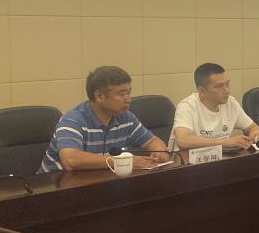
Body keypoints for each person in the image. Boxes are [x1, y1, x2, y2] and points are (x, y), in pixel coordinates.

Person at [40, 66, 169, 172]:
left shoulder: (126, 117)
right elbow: (71, 160)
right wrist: (122, 162)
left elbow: (152, 141)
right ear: (99, 96)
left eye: (129, 93)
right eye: (122, 94)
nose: (128, 99)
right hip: (55, 186)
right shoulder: (73, 120)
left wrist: (160, 151)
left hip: (98, 182)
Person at [169, 63, 259, 152]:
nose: (227, 90)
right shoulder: (187, 106)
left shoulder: (230, 103)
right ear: (201, 91)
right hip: (186, 161)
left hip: (220, 160)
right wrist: (225, 142)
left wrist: (255, 135)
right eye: (219, 86)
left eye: (227, 84)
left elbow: (253, 127)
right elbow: (183, 141)